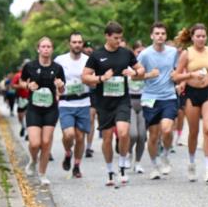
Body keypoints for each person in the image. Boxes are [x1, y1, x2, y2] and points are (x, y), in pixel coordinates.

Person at [83, 21, 143, 188]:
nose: (118, 41)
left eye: (120, 38)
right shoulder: (96, 55)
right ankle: (110, 171)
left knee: (124, 133)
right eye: (115, 38)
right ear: (107, 36)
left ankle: (123, 165)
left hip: (122, 100)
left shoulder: (126, 53)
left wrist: (134, 72)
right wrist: (101, 78)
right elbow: (85, 77)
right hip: (104, 102)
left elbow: (142, 70)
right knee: (107, 138)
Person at [173, 23, 208, 183]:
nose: (201, 39)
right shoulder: (186, 54)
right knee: (193, 131)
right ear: (192, 37)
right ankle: (192, 162)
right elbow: (175, 76)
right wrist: (190, 75)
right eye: (198, 36)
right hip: (191, 93)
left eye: (203, 36)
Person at [19, 37, 65, 186]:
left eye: (48, 47)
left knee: (46, 142)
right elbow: (21, 81)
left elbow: (62, 90)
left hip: (50, 109)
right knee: (34, 143)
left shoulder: (57, 68)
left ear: (52, 49)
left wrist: (60, 86)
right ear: (38, 49)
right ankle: (33, 160)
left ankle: (43, 173)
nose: (46, 49)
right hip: (34, 109)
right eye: (43, 47)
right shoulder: (30, 66)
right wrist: (27, 85)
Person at [137, 23, 179, 179]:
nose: (160, 36)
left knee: (167, 130)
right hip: (150, 97)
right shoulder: (145, 54)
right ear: (151, 36)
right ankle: (154, 165)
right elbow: (134, 75)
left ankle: (165, 155)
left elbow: (180, 69)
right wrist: (149, 75)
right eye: (157, 33)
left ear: (166, 36)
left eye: (162, 33)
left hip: (169, 96)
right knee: (153, 135)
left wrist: (178, 78)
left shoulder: (173, 52)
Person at [54, 31, 91, 178]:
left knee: (80, 137)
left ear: (82, 44)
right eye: (74, 42)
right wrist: (56, 84)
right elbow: (53, 78)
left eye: (79, 42)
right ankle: (68, 152)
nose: (77, 45)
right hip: (66, 102)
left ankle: (76, 165)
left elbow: (93, 78)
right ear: (69, 43)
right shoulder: (60, 60)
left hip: (83, 102)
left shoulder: (88, 60)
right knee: (69, 134)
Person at [127, 40, 148, 175]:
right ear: (134, 53)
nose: (140, 54)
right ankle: (128, 153)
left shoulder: (146, 67)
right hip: (129, 102)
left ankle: (138, 162)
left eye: (142, 52)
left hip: (144, 102)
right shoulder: (127, 68)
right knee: (133, 134)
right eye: (138, 52)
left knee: (142, 136)